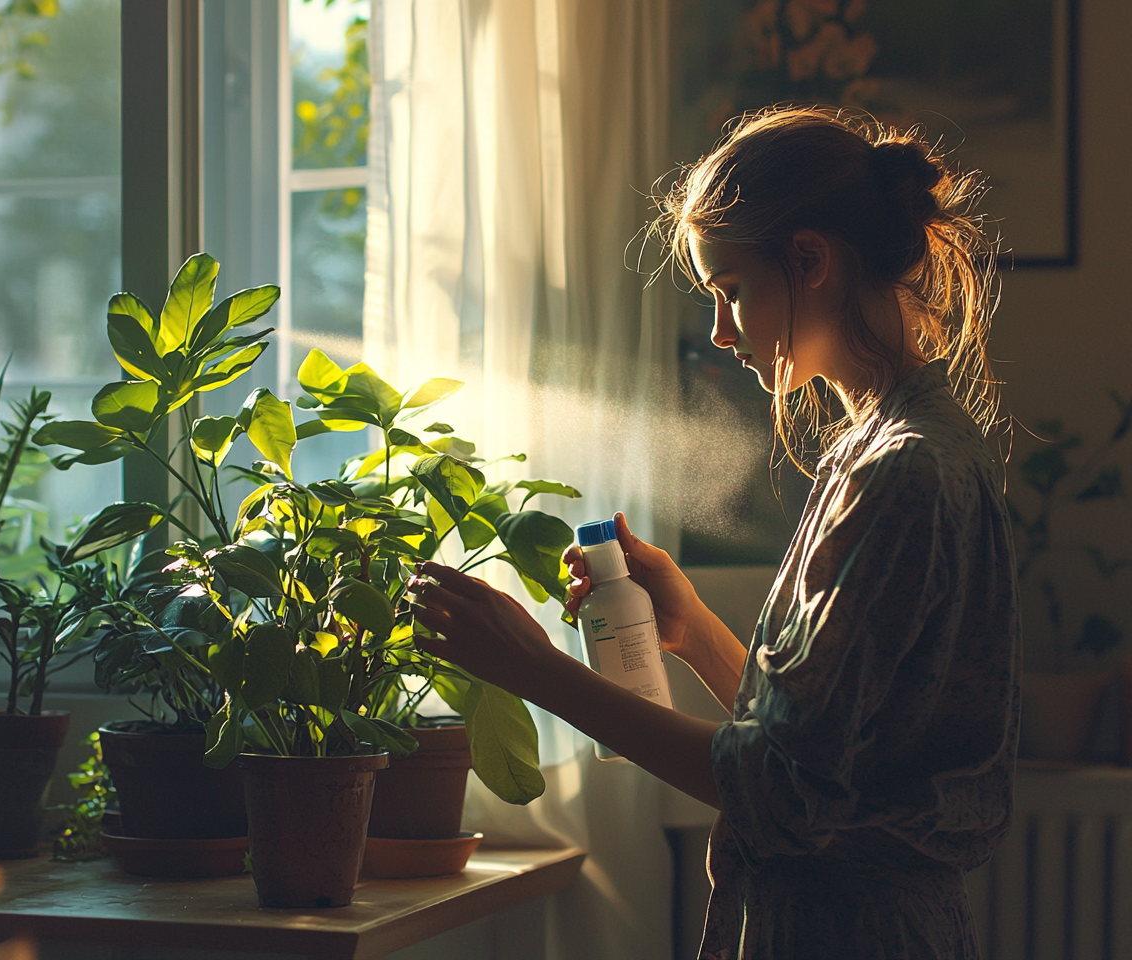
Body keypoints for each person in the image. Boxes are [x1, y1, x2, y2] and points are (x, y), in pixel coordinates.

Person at [408, 106, 1021, 960]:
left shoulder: (902, 473)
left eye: (731, 291)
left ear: (810, 259)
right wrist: (694, 630)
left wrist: (533, 668)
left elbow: (781, 792)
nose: (721, 333)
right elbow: (817, 753)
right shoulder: (888, 448)